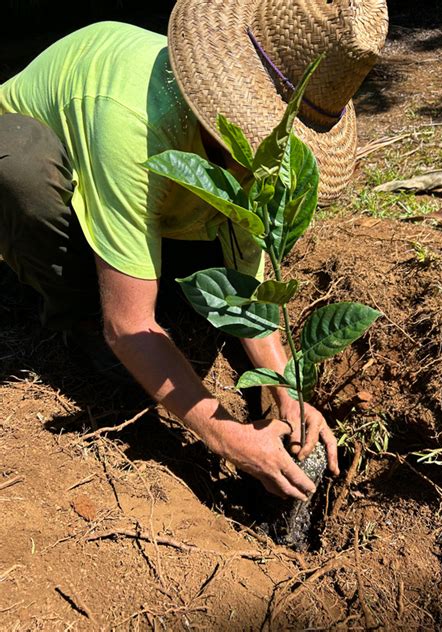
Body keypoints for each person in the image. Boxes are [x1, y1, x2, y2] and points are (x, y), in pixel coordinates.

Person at [0, 0, 388, 500]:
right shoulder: (131, 124)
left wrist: (286, 388)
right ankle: (75, 311)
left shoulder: (251, 154)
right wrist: (228, 438)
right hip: (50, 166)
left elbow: (247, 271)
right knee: (18, 165)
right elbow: (129, 326)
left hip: (153, 195)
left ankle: (142, 262)